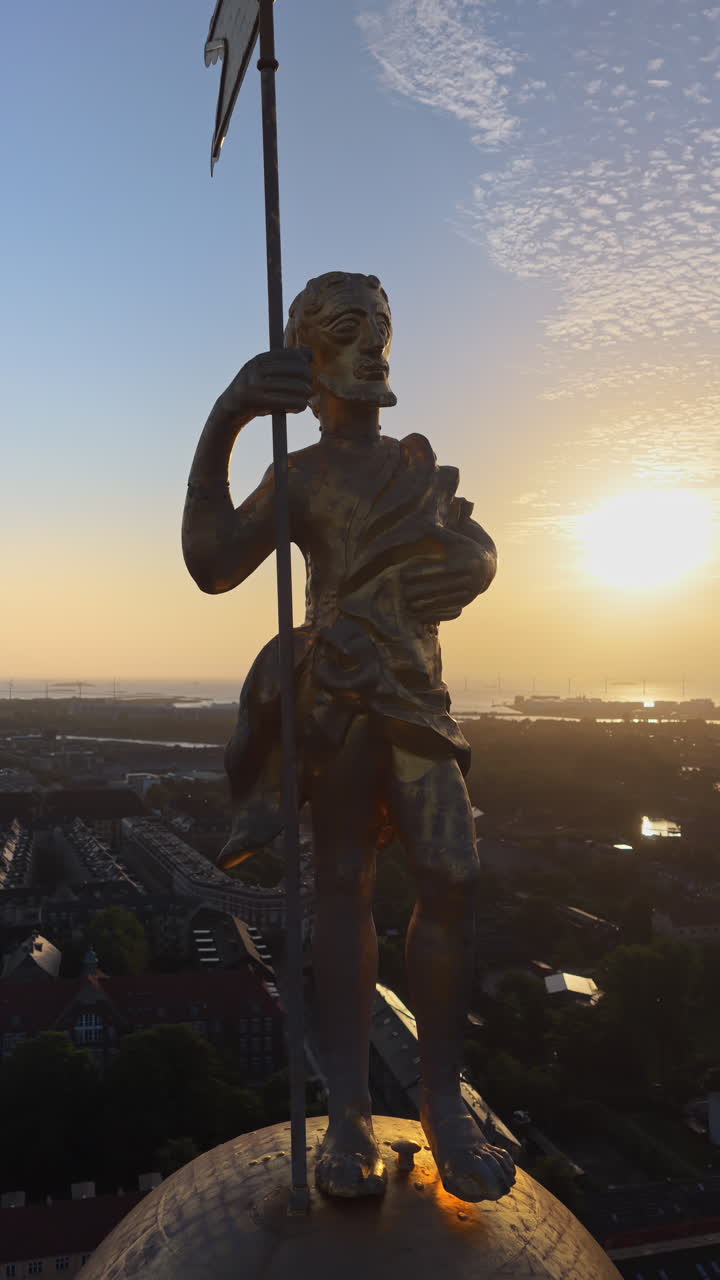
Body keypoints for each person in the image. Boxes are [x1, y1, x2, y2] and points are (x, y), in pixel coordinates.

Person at [182, 271, 515, 1203]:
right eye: (347, 331)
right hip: (336, 696)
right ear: (311, 356)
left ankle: (444, 1099)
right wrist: (228, 416)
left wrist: (476, 561)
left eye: (381, 329)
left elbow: (472, 539)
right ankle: (351, 1115)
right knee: (340, 889)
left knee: (453, 876)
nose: (372, 346)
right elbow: (212, 564)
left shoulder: (416, 467)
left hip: (418, 693)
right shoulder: (306, 474)